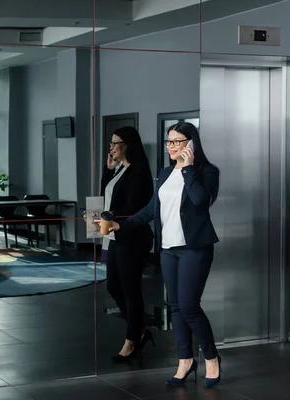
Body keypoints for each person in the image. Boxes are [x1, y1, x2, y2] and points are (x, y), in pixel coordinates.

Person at [101, 122, 222, 388]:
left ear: (191, 144)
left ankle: (211, 358)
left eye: (177, 142)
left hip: (194, 248)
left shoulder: (206, 171)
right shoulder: (165, 172)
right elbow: (151, 209)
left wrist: (188, 170)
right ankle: (185, 361)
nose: (171, 146)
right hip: (168, 249)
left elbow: (201, 201)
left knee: (190, 306)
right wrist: (123, 224)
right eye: (169, 142)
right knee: (177, 307)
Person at [99, 126, 154, 360]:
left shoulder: (138, 171)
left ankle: (132, 339)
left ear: (127, 144)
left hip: (132, 237)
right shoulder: (120, 170)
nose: (111, 148)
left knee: (130, 289)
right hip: (114, 236)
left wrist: (108, 216)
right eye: (110, 144)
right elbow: (107, 195)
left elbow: (132, 208)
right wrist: (109, 170)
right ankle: (139, 329)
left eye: (115, 143)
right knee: (113, 285)